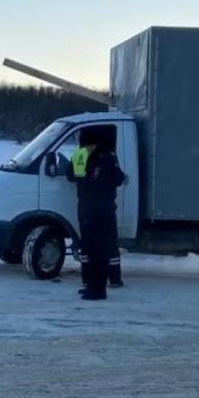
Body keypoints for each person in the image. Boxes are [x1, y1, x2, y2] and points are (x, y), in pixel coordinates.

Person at [66, 126, 126, 300]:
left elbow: (73, 176)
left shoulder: (91, 155)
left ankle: (98, 289)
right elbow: (118, 179)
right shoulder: (100, 155)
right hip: (95, 209)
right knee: (94, 249)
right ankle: (92, 285)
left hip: (95, 210)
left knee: (97, 250)